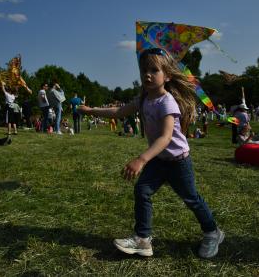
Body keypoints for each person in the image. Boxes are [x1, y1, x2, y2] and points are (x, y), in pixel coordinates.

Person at [78, 48, 223, 259]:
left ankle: (213, 233)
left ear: (168, 76)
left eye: (154, 70)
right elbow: (119, 112)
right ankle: (143, 239)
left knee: (191, 198)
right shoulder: (144, 99)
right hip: (158, 160)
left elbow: (165, 138)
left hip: (177, 162)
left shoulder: (167, 102)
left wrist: (141, 159)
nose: (148, 74)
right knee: (142, 191)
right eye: (144, 69)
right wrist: (92, 111)